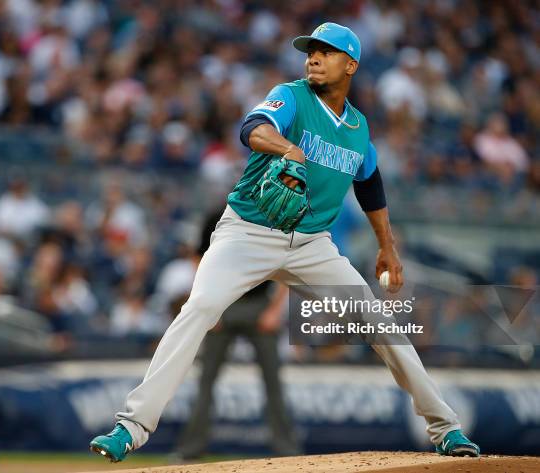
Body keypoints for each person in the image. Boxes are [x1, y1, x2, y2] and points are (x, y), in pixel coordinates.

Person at [90, 23, 480, 462]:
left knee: (380, 323)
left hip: (312, 244)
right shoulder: (292, 97)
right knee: (199, 308)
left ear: (350, 64)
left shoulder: (358, 128)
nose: (313, 57)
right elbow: (252, 128)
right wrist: (288, 150)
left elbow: (370, 184)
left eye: (325, 52)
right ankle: (132, 427)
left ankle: (446, 428)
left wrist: (386, 245)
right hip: (248, 232)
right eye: (310, 51)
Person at [174, 210, 300, 459]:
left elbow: (291, 262)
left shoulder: (273, 212)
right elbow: (198, 259)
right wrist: (209, 303)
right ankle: (189, 450)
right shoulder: (216, 216)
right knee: (206, 380)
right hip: (224, 301)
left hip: (260, 303)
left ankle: (287, 452)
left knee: (273, 382)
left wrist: (275, 310)